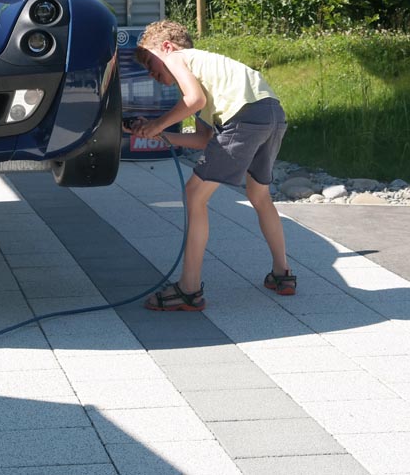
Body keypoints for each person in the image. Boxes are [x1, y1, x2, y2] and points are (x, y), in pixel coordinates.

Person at [126, 20, 294, 311]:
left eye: (152, 63)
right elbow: (206, 139)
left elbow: (194, 100)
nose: (151, 72)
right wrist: (160, 133)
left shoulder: (178, 58)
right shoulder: (209, 71)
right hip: (272, 114)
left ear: (165, 47)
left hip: (244, 118)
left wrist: (155, 123)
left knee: (194, 195)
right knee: (259, 196)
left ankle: (188, 290)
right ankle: (283, 274)